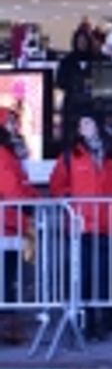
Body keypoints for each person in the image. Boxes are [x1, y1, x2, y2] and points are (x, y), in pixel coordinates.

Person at [49, 111, 112, 340]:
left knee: (107, 274)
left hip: (106, 223)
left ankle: (108, 319)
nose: (85, 128)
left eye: (88, 123)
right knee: (82, 275)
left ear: (96, 125)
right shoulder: (71, 155)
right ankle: (84, 321)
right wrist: (72, 200)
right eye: (81, 124)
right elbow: (57, 185)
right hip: (81, 225)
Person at [0, 121, 36, 345]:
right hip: (7, 223)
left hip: (10, 221)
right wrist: (30, 202)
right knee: (6, 278)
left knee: (7, 276)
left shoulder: (9, 154)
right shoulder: (4, 155)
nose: (16, 127)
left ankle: (9, 328)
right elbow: (12, 188)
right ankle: (8, 329)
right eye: (11, 124)